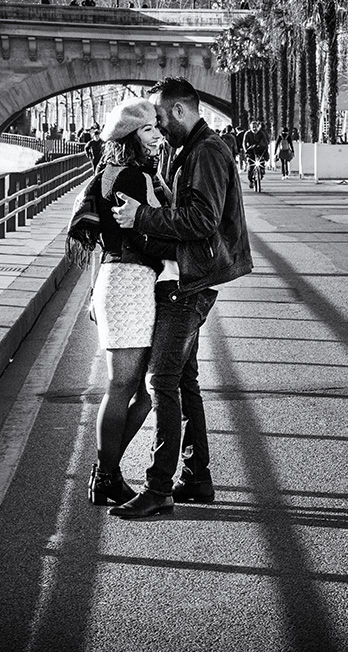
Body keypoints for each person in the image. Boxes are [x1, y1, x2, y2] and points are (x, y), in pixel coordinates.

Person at [109, 77, 252, 518]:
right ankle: (196, 476)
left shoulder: (205, 152)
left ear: (177, 111)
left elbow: (201, 219)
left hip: (189, 283)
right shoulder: (192, 149)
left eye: (159, 116)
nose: (157, 125)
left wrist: (141, 216)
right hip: (189, 275)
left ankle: (158, 488)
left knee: (161, 381)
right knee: (184, 381)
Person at [66, 98, 169, 505]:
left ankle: (106, 474)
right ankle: (104, 475)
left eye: (157, 127)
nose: (157, 135)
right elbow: (148, 235)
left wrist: (94, 290)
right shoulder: (133, 178)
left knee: (140, 391)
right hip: (131, 282)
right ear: (129, 136)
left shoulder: (107, 174)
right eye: (148, 130)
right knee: (127, 385)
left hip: (117, 279)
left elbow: (101, 245)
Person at [241, 120, 270, 187]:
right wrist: (246, 151)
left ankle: (262, 171)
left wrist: (265, 149)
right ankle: (251, 180)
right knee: (251, 166)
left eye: (255, 127)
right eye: (253, 127)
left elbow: (265, 142)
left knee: (262, 161)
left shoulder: (261, 133)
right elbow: (244, 143)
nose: (254, 129)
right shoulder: (247, 134)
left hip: (259, 149)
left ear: (258, 127)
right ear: (250, 127)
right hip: (251, 150)